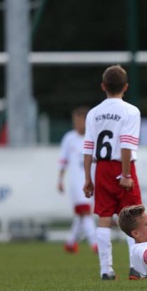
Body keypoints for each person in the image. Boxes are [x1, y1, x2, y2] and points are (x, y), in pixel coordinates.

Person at [83, 65, 143, 280]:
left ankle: (105, 269)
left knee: (104, 218)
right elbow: (126, 145)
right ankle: (136, 267)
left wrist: (87, 178)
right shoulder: (130, 111)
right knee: (133, 217)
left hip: (101, 169)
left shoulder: (94, 113)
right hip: (122, 165)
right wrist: (126, 175)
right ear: (126, 87)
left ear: (103, 86)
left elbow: (88, 148)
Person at [58, 106, 98, 254]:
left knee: (82, 214)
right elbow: (63, 160)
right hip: (77, 182)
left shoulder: (93, 137)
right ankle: (95, 243)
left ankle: (70, 242)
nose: (76, 124)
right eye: (74, 121)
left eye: (79, 121)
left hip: (91, 180)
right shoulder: (69, 138)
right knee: (85, 212)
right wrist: (60, 179)